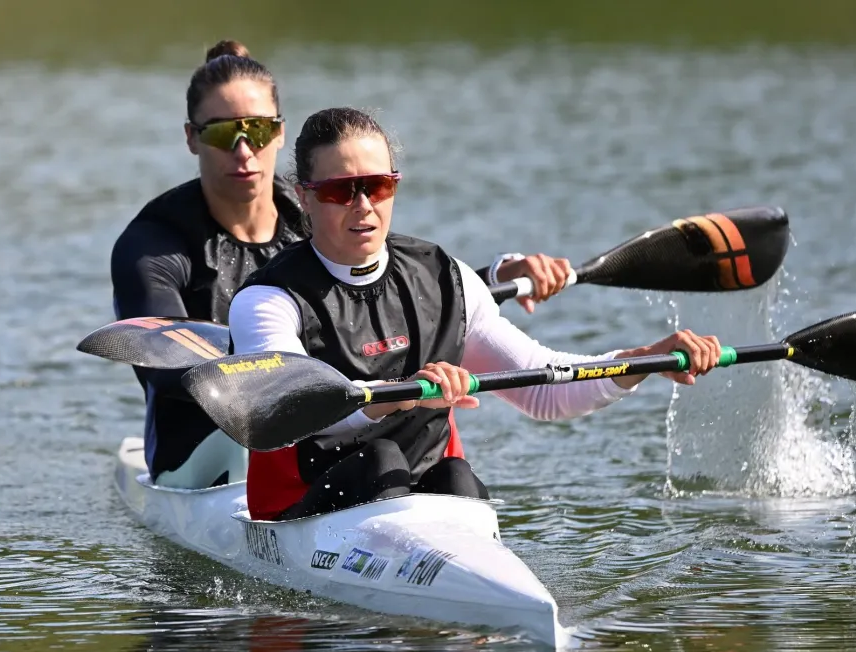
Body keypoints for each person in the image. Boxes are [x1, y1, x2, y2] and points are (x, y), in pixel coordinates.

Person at [110, 41, 578, 490]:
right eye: (221, 132)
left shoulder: (322, 209)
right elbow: (164, 371)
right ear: (192, 138)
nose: (243, 150)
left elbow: (387, 294)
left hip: (336, 433)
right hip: (209, 444)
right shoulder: (152, 246)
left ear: (278, 133)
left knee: (408, 441)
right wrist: (257, 357)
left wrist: (492, 279)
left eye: (256, 130)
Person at [228, 106, 724, 520]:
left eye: (377, 186)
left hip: (421, 496)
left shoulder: (445, 278)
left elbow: (541, 390)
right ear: (305, 197)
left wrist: (645, 360)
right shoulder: (268, 300)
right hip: (302, 507)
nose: (363, 206)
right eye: (340, 191)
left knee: (457, 477)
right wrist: (395, 399)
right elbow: (290, 415)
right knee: (379, 459)